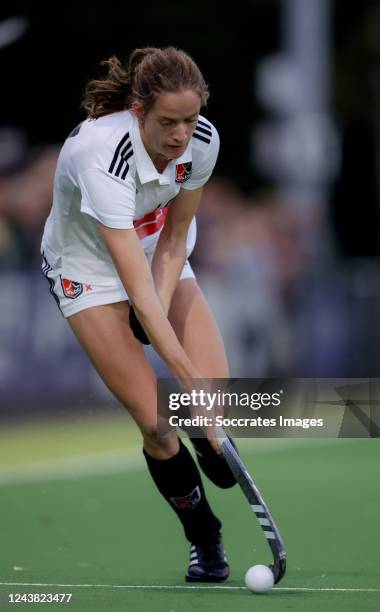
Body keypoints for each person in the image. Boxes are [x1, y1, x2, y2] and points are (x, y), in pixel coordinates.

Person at [40, 46, 237, 582]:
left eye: (190, 120)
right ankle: (205, 539)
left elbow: (175, 239)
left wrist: (201, 392)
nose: (180, 135)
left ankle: (206, 432)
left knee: (218, 404)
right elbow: (135, 290)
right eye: (167, 122)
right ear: (138, 110)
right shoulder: (101, 153)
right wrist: (185, 381)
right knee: (157, 420)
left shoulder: (202, 143)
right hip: (88, 269)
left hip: (155, 251)